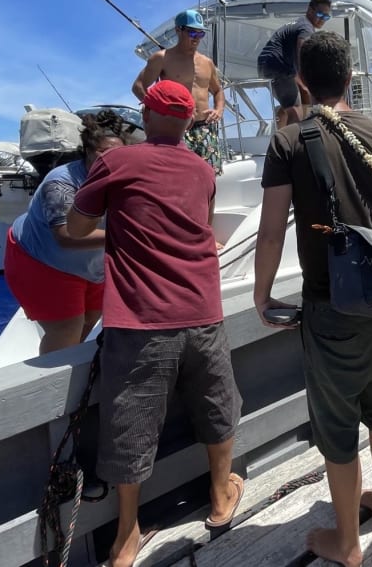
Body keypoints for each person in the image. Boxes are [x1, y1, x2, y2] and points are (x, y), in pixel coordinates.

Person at [254, 31, 372, 567]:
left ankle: (347, 543)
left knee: (338, 428)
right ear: (351, 80)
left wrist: (261, 295)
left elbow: (272, 234)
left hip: (330, 307)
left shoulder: (288, 141)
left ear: (301, 81)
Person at [67, 80, 243, 567]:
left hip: (141, 319)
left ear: (146, 115)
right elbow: (203, 226)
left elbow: (77, 227)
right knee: (217, 403)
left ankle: (127, 535)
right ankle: (221, 496)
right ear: (188, 121)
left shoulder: (116, 162)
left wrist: (122, 226)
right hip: (203, 311)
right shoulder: (203, 170)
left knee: (131, 423)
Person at [4, 110, 133, 355]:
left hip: (91, 266)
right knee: (66, 329)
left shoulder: (127, 178)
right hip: (41, 260)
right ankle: (52, 387)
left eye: (119, 155)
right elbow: (65, 236)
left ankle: (74, 372)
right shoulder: (61, 182)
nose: (111, 161)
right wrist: (126, 236)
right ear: (87, 151)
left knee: (91, 322)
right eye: (102, 154)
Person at [132, 9, 226, 172]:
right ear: (178, 30)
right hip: (175, 127)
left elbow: (218, 91)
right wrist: (158, 108)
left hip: (205, 127)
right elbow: (138, 86)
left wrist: (219, 110)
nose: (196, 39)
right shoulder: (162, 58)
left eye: (200, 34)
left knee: (209, 176)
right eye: (191, 33)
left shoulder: (207, 63)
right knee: (175, 174)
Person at [257, 0, 332, 129]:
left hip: (267, 65)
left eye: (326, 17)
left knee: (291, 104)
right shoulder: (306, 28)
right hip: (278, 66)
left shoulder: (300, 23)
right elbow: (302, 54)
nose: (322, 20)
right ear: (310, 10)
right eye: (320, 14)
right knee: (295, 109)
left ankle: (281, 139)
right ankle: (292, 147)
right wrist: (308, 83)